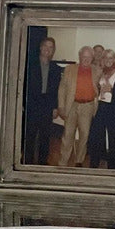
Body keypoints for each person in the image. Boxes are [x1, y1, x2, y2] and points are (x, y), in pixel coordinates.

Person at [57, 45, 102, 167]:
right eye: (84, 56)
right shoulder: (69, 69)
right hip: (71, 105)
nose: (86, 59)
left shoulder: (97, 70)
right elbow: (62, 88)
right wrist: (61, 106)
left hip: (88, 106)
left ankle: (79, 160)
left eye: (89, 57)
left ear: (92, 58)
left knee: (84, 135)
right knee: (68, 134)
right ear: (80, 56)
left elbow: (107, 79)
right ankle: (63, 161)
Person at [23, 37, 63, 165]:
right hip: (32, 104)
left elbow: (57, 90)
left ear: (53, 50)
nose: (48, 49)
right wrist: (22, 103)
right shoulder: (29, 65)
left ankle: (42, 162)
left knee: (45, 136)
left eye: (51, 47)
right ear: (41, 47)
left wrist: (55, 107)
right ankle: (27, 162)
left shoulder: (56, 69)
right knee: (30, 135)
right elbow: (23, 85)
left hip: (47, 105)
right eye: (46, 46)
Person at [87, 49, 115, 168]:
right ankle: (94, 164)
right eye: (106, 57)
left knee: (112, 138)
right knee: (97, 136)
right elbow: (95, 88)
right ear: (103, 59)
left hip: (113, 108)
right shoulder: (101, 72)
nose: (108, 60)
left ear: (114, 59)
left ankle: (112, 167)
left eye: (110, 58)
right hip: (101, 106)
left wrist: (112, 90)